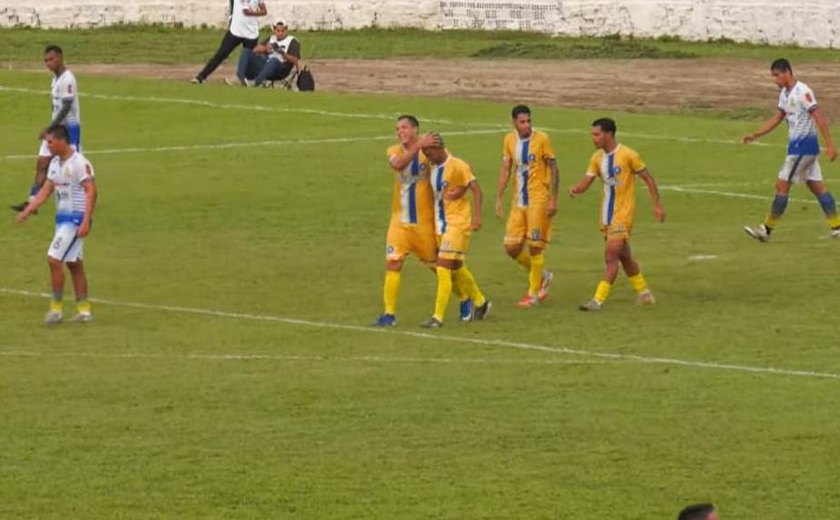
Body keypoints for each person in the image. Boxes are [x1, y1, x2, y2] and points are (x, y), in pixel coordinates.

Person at [568, 118, 665, 311]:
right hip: (607, 216)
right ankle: (645, 293)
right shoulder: (597, 158)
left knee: (611, 256)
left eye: (597, 134)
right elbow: (587, 181)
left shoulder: (628, 155)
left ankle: (597, 301)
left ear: (609, 134)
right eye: (592, 135)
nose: (593, 138)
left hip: (623, 215)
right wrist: (576, 189)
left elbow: (648, 179)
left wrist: (657, 205)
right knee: (625, 258)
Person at [743, 58, 840, 241]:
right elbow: (778, 117)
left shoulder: (803, 92)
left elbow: (818, 116)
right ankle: (837, 226)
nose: (775, 80)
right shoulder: (785, 94)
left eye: (776, 75)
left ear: (787, 72)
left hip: (802, 148)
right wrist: (755, 134)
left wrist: (830, 144)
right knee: (817, 187)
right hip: (802, 149)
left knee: (781, 185)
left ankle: (766, 230)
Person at [16, 125, 98, 325]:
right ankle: (84, 311)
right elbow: (46, 190)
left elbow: (91, 190)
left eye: (50, 142)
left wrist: (86, 219)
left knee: (54, 259)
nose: (48, 146)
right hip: (62, 220)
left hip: (75, 220)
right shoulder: (55, 164)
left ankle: (56, 309)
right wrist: (28, 210)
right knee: (73, 264)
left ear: (61, 141)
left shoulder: (79, 163)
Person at [419, 135, 491, 328]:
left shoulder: (458, 166)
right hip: (441, 224)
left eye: (429, 153)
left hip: (458, 224)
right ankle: (480, 302)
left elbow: (477, 190)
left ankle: (437, 317)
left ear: (440, 148)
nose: (427, 156)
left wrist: (476, 218)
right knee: (457, 266)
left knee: (443, 267)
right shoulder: (433, 167)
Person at [495, 105, 558, 308]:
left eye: (529, 121)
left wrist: (553, 199)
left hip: (538, 199)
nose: (527, 125)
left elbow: (554, 169)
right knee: (511, 247)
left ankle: (533, 295)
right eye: (522, 122)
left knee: (534, 247)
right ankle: (543, 276)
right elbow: (506, 169)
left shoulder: (542, 139)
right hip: (518, 201)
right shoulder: (509, 140)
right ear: (514, 122)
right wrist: (498, 197)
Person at [11, 45, 81, 213]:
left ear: (60, 58)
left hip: (68, 130)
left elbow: (66, 107)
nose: (48, 63)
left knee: (73, 167)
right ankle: (32, 202)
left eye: (51, 59)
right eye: (46, 60)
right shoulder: (55, 79)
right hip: (55, 128)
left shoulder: (67, 79)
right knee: (42, 163)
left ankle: (83, 196)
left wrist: (49, 127)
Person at [191, 0, 267, 84]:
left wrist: (251, 13)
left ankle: (250, 80)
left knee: (250, 60)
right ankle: (201, 76)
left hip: (251, 34)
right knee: (221, 54)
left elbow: (264, 11)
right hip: (235, 31)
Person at [225, 20, 300, 87]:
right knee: (246, 51)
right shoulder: (271, 38)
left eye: (282, 31)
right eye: (278, 31)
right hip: (265, 64)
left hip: (280, 68)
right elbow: (255, 50)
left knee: (273, 60)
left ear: (286, 30)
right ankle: (240, 78)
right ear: (274, 30)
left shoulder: (292, 41)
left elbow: (295, 60)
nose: (280, 33)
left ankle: (255, 83)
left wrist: (282, 53)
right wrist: (266, 48)